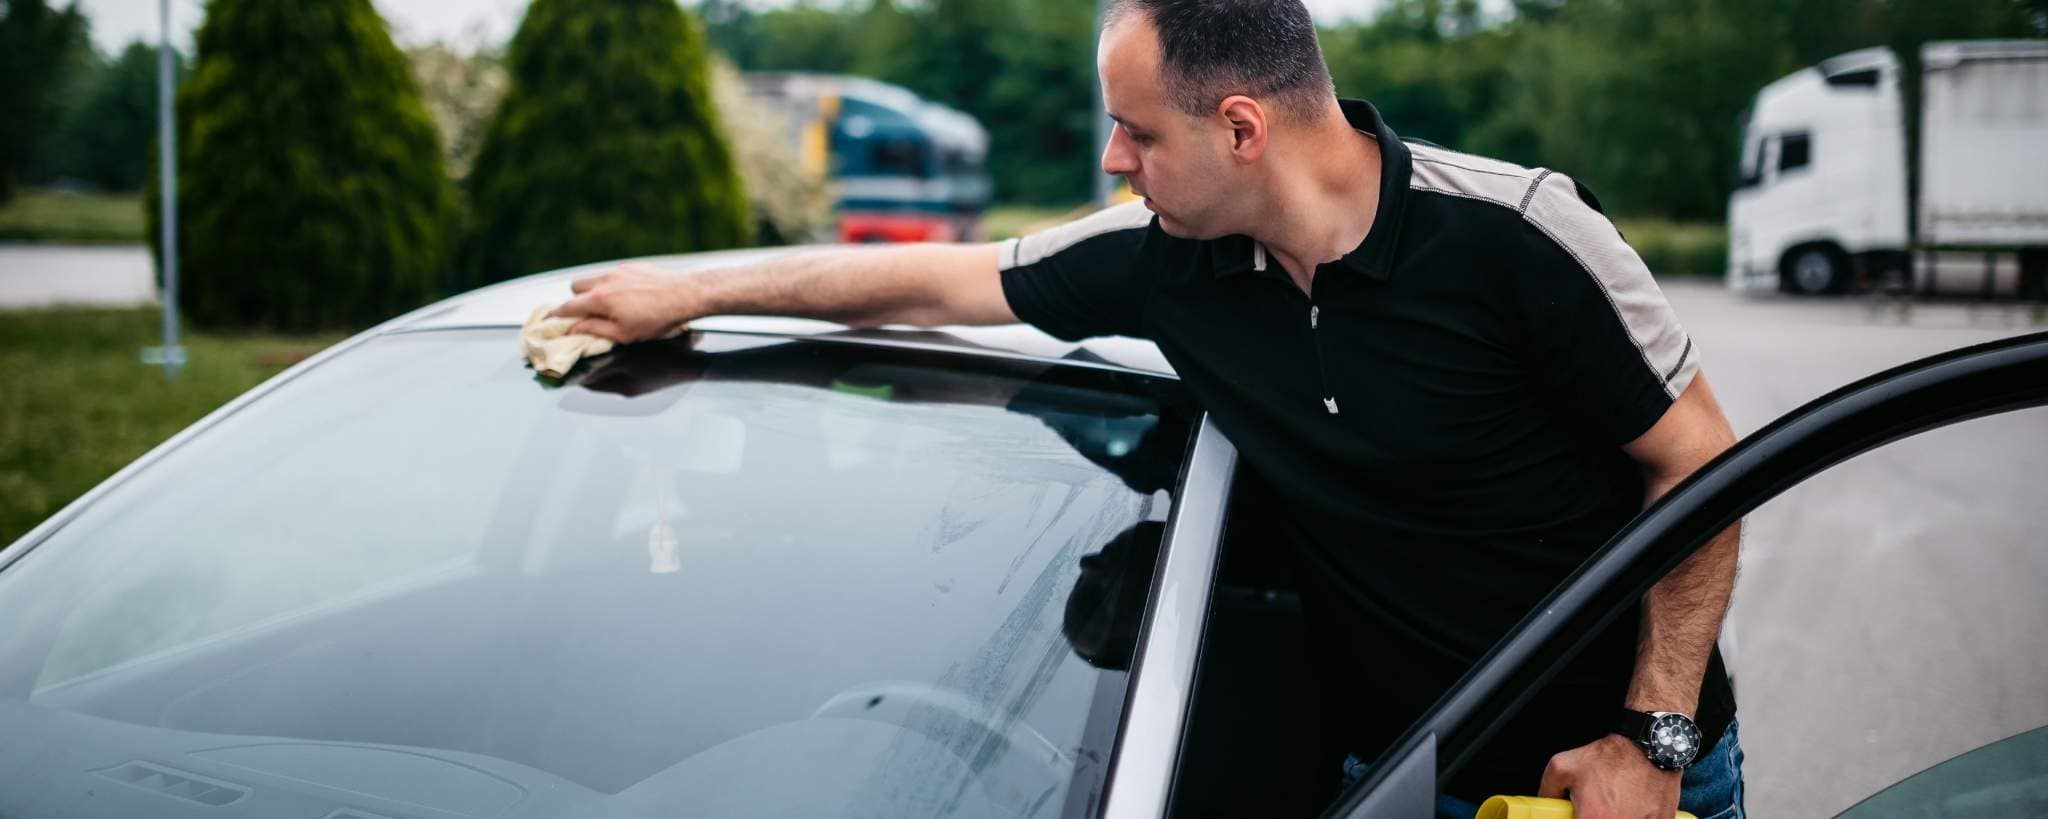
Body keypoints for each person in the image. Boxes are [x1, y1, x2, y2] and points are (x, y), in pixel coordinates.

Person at [550, 1, 1744, 816]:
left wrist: (1654, 749)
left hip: (1610, 784)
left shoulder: (1518, 238)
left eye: (1134, 130)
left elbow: (1700, 465)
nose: (1114, 160)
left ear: (1239, 128)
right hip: (1387, 776)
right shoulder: (1171, 259)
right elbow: (936, 281)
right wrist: (691, 289)